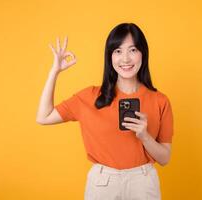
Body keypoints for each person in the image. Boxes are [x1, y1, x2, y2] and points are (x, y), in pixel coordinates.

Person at [36, 23, 173, 200]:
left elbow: (165, 158)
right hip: (102, 183)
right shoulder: (89, 97)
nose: (125, 59)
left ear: (143, 54)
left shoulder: (160, 101)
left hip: (143, 182)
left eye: (132, 50)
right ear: (110, 57)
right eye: (117, 51)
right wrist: (54, 72)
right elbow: (43, 117)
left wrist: (145, 136)